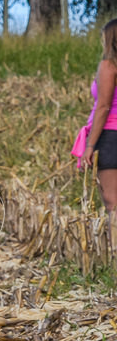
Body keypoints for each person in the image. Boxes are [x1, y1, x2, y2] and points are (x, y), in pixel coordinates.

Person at [73, 18, 117, 212]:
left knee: (111, 200)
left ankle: (113, 241)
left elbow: (103, 107)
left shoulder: (109, 66)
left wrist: (90, 145)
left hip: (110, 136)